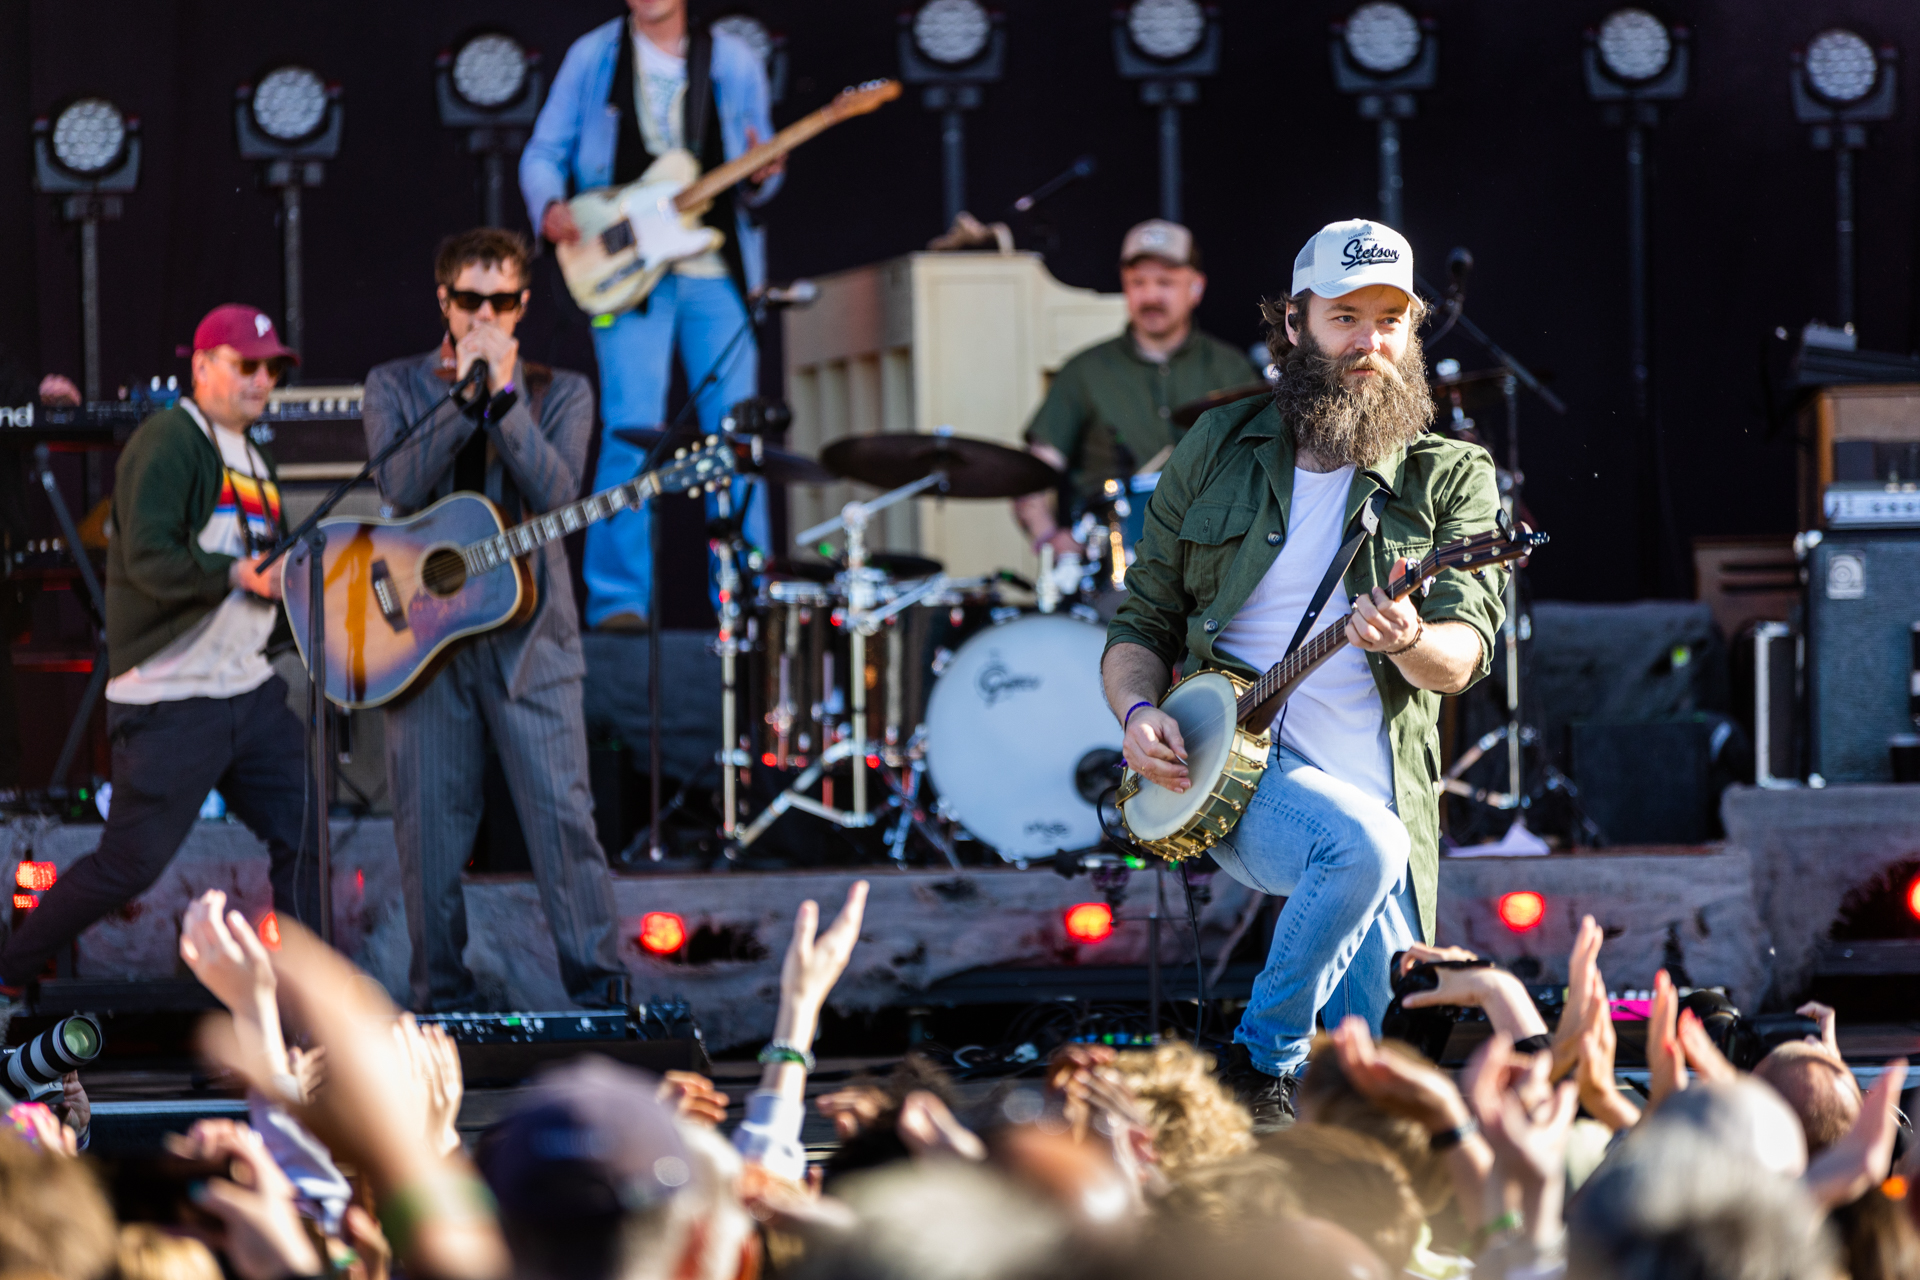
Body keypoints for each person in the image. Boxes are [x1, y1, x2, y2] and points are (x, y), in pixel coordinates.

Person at [1103, 219, 1506, 1124]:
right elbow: (1143, 621)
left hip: (1384, 792)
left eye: (1391, 320)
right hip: (1237, 773)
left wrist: (1406, 637)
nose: (1370, 342)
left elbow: (1466, 656)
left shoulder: (1452, 477)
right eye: (1345, 316)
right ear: (1294, 324)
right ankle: (1261, 1059)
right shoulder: (1217, 445)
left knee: (1384, 1095)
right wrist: (1136, 713)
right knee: (1356, 844)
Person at [0, 305, 318, 1040]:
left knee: (305, 838)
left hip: (246, 689)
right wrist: (240, 572)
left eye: (271, 368)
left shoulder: (251, 454)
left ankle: (307, 1012)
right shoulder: (170, 441)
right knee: (129, 865)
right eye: (247, 365)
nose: (262, 380)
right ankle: (12, 970)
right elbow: (144, 557)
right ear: (201, 366)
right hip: (175, 699)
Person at [362, 228, 628, 1013]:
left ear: (523, 305)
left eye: (503, 301)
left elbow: (557, 495)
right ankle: (440, 1002)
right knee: (430, 838)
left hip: (531, 645)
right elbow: (401, 486)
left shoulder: (562, 391)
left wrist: (504, 399)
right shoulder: (397, 384)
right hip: (425, 642)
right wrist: (464, 397)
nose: (486, 315)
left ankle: (604, 999)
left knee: (563, 824)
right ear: (443, 302)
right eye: (471, 300)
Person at [521, 0, 783, 630]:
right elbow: (541, 153)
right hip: (626, 272)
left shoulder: (734, 61)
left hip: (713, 270)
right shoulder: (594, 56)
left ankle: (751, 590)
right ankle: (618, 604)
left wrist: (763, 173)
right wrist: (550, 205)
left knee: (737, 434)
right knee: (629, 429)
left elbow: (759, 179)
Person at [1017, 219, 1260, 562]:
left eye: (1165, 282)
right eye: (1138, 282)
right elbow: (1029, 476)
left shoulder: (1230, 369)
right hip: (1113, 565)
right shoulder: (1084, 371)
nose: (1150, 296)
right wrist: (1049, 537)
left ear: (1196, 288)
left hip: (1215, 556)